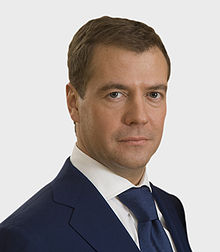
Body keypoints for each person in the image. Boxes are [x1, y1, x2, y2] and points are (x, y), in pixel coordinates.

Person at [0, 16, 192, 251]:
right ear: (74, 103)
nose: (139, 117)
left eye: (153, 94)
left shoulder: (170, 208)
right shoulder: (25, 238)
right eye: (115, 94)